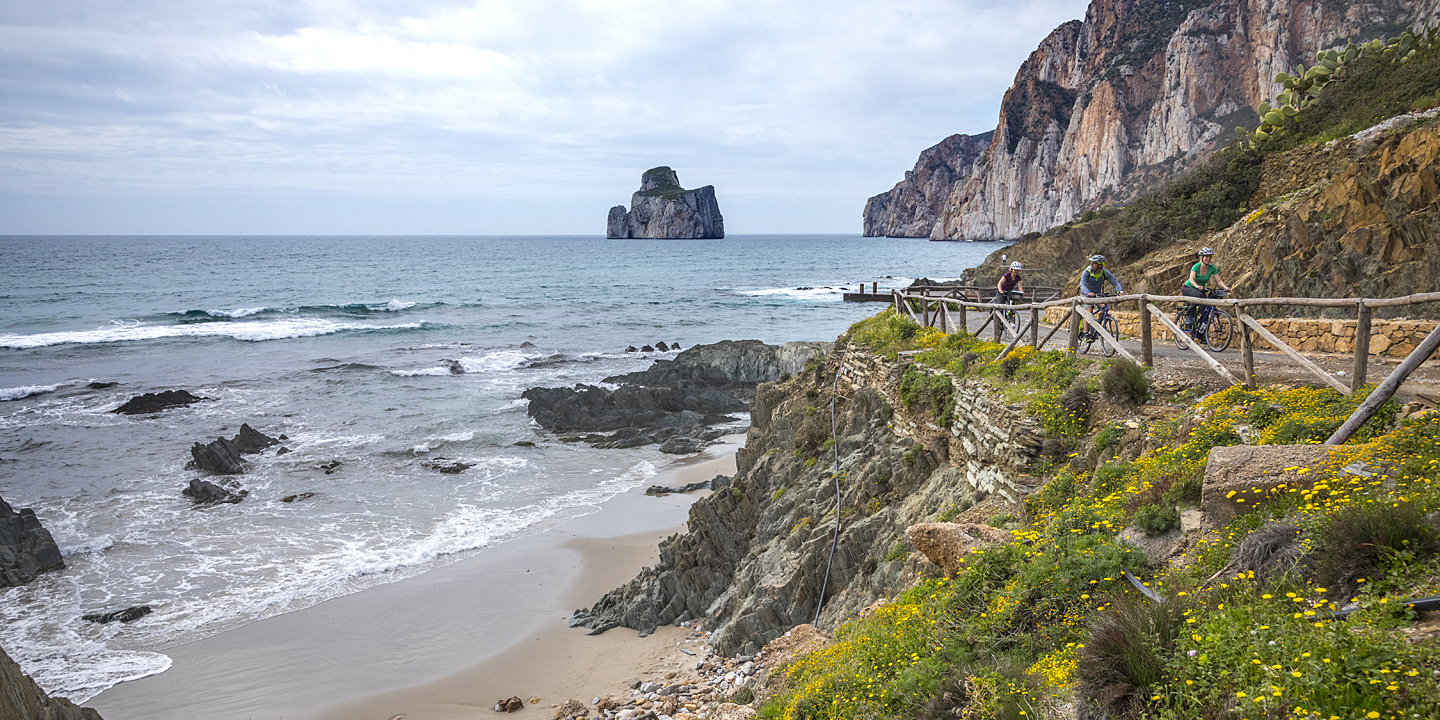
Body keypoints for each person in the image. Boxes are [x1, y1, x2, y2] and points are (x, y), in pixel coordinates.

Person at [1181, 247, 1231, 327]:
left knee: (1205, 308)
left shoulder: (1212, 268)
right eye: (1206, 256)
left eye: (1210, 256)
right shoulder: (1196, 267)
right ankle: (1189, 316)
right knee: (1199, 295)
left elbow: (1219, 280)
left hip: (1200, 290)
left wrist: (1225, 287)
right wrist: (1197, 286)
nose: (1208, 258)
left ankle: (1202, 333)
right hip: (1188, 288)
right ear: (1202, 257)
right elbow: (1191, 279)